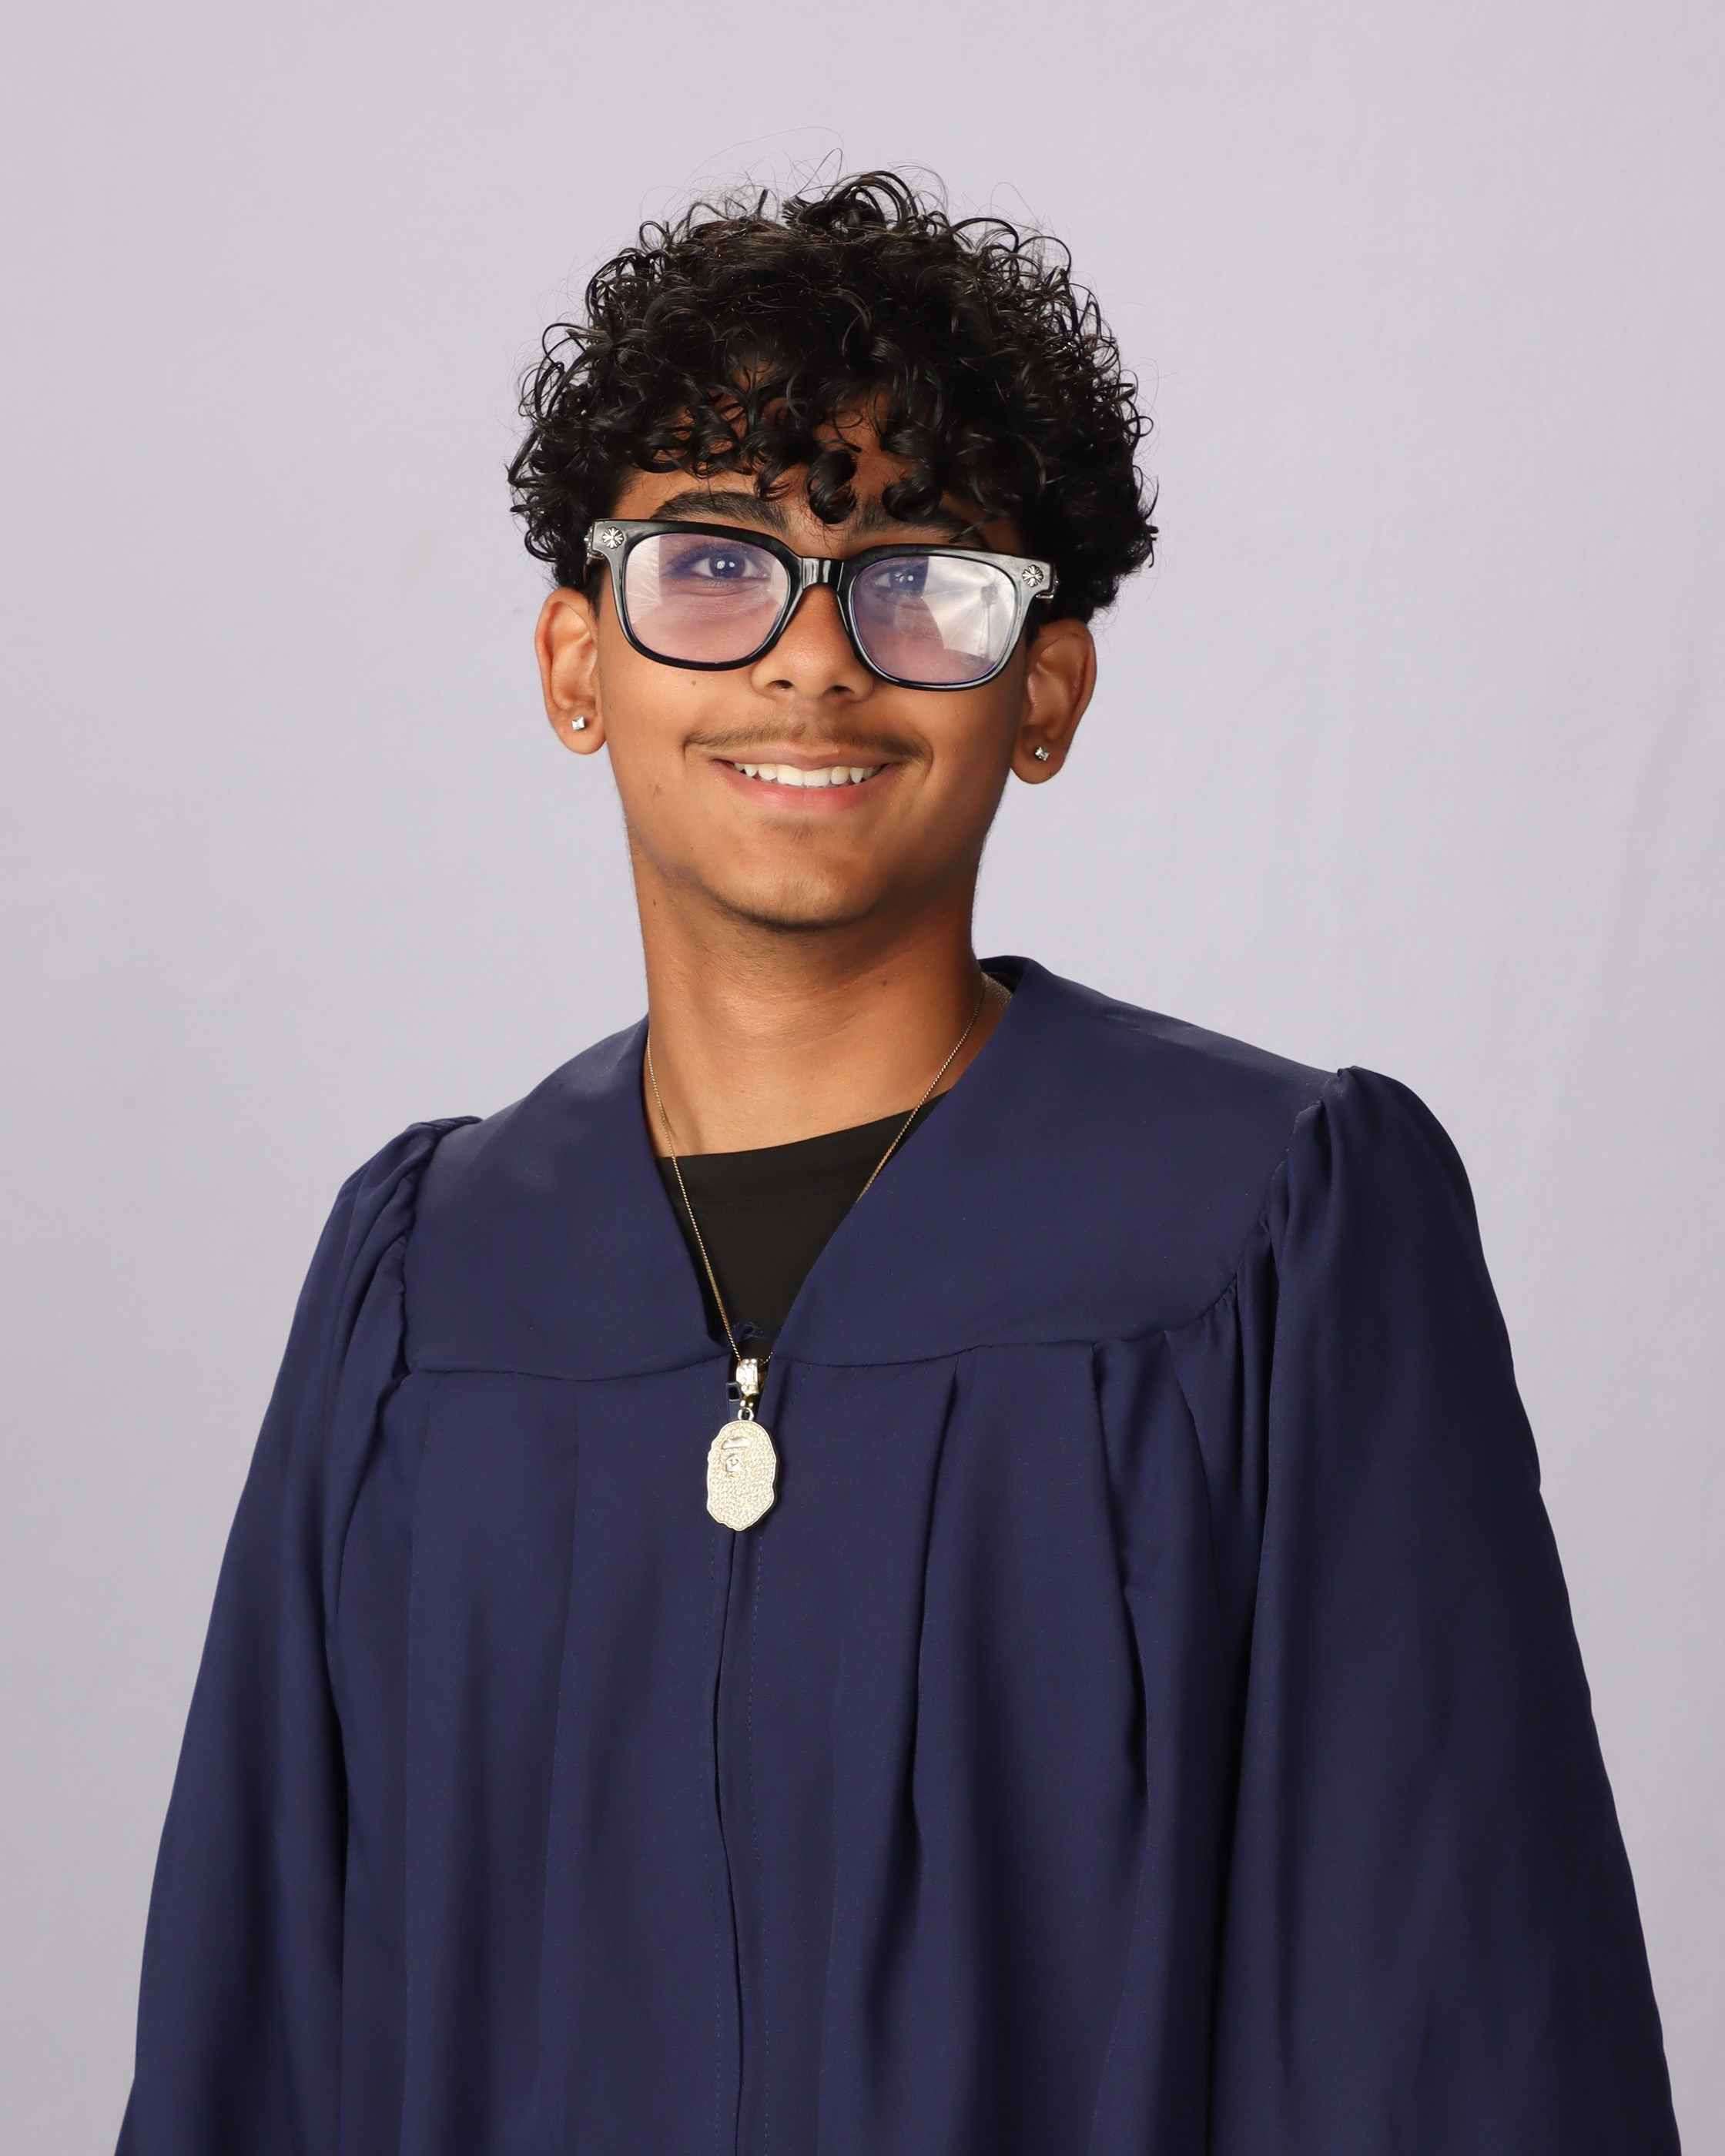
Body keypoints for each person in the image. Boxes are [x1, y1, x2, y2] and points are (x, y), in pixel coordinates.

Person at [116, 171, 1680, 2155]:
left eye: (917, 582)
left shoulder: (1268, 1237)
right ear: (574, 662)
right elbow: (257, 2036)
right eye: (712, 566)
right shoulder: (423, 1285)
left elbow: (1450, 2031)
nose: (810, 663)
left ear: (1047, 692)